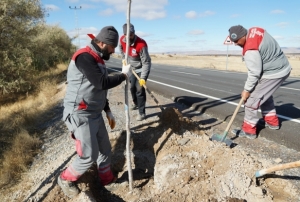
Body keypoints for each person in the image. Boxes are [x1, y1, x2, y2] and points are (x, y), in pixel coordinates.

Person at [58, 26, 132, 198]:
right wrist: (123, 76)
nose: (113, 50)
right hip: (80, 113)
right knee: (88, 155)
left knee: (105, 149)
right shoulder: (84, 57)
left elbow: (96, 90)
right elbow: (101, 83)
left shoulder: (98, 58)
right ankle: (65, 179)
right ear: (101, 43)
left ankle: (106, 179)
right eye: (112, 47)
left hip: (95, 113)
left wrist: (107, 110)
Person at [228, 25, 291, 139]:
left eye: (236, 41)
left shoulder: (250, 49)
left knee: (251, 101)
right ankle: (272, 122)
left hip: (273, 73)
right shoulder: (255, 30)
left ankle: (249, 131)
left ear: (243, 36)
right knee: (263, 96)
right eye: (233, 41)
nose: (235, 44)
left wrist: (247, 90)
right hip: (281, 67)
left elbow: (254, 72)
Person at [119, 23, 151, 121]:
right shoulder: (122, 40)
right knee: (132, 88)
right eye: (127, 35)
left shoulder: (141, 44)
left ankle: (142, 113)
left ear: (134, 33)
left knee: (139, 90)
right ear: (124, 34)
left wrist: (143, 78)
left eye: (131, 35)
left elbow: (147, 62)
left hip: (141, 69)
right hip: (131, 69)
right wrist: (123, 58)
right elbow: (120, 49)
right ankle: (136, 103)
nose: (129, 37)